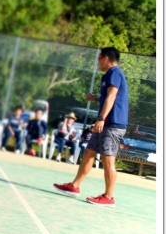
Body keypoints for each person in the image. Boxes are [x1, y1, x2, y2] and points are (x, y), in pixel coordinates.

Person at [54, 47, 129, 207]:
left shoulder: (114, 73)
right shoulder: (110, 75)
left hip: (112, 124)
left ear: (106, 58)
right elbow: (110, 98)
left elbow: (111, 97)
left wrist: (101, 118)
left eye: (99, 57)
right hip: (106, 123)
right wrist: (95, 99)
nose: (98, 60)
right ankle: (74, 187)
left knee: (107, 159)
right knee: (88, 153)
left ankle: (109, 197)